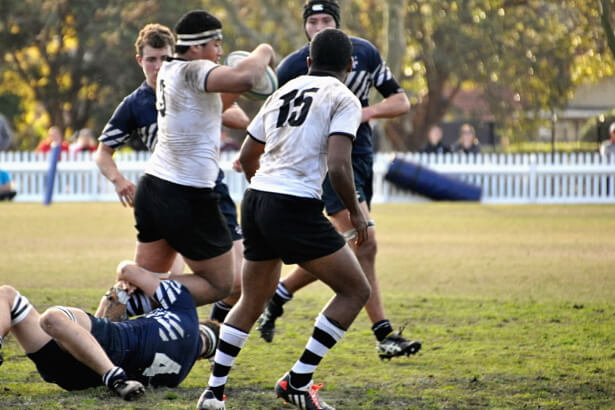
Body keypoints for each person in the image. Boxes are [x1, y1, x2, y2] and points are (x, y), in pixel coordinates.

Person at [197, 28, 370, 410]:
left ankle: (213, 392)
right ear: (349, 65)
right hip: (292, 204)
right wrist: (357, 214)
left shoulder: (281, 91)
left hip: (256, 199)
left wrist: (265, 188)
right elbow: (340, 165)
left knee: (251, 301)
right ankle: (297, 381)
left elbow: (246, 156)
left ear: (308, 62)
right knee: (356, 291)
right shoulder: (344, 97)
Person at [256, 0, 420, 361]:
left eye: (325, 20)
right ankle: (384, 334)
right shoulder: (294, 67)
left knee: (351, 246)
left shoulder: (363, 52)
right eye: (311, 21)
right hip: (330, 162)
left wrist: (366, 112)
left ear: (338, 23)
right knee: (367, 242)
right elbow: (274, 120)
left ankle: (280, 295)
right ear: (304, 27)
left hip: (360, 155)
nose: (318, 26)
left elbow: (401, 101)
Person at [94, 23, 249, 318]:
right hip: (167, 192)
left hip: (206, 190)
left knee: (237, 281)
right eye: (151, 59)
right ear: (140, 61)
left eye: (164, 58)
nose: (158, 66)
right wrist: (118, 180)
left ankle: (208, 332)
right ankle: (101, 333)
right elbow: (103, 152)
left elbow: (240, 118)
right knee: (137, 284)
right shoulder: (134, 105)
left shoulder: (192, 86)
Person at [131, 10, 274, 313]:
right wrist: (265, 51)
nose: (221, 51)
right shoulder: (195, 70)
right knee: (223, 283)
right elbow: (245, 76)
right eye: (217, 44)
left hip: (153, 187)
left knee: (145, 280)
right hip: (187, 195)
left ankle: (104, 337)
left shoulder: (168, 71)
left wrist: (244, 85)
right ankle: (135, 292)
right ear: (196, 47)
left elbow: (218, 103)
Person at [0, 261, 220, 401]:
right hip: (76, 379)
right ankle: (112, 375)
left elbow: (128, 270)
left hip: (115, 345)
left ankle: (114, 377)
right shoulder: (179, 376)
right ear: (201, 356)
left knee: (42, 313)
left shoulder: (185, 308)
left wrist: (126, 279)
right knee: (37, 313)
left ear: (201, 322)